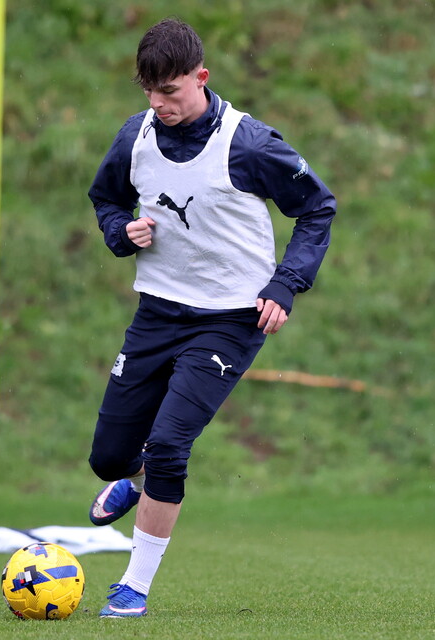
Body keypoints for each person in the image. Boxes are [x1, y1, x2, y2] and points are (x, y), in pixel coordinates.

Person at [86, 17, 336, 618]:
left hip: (229, 319)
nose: (158, 103)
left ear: (201, 78)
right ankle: (133, 475)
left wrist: (285, 283)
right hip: (157, 312)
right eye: (148, 90)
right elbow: (107, 199)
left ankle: (133, 588)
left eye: (170, 91)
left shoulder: (249, 145)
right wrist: (123, 231)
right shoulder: (136, 136)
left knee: (170, 445)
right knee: (108, 457)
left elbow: (317, 207)